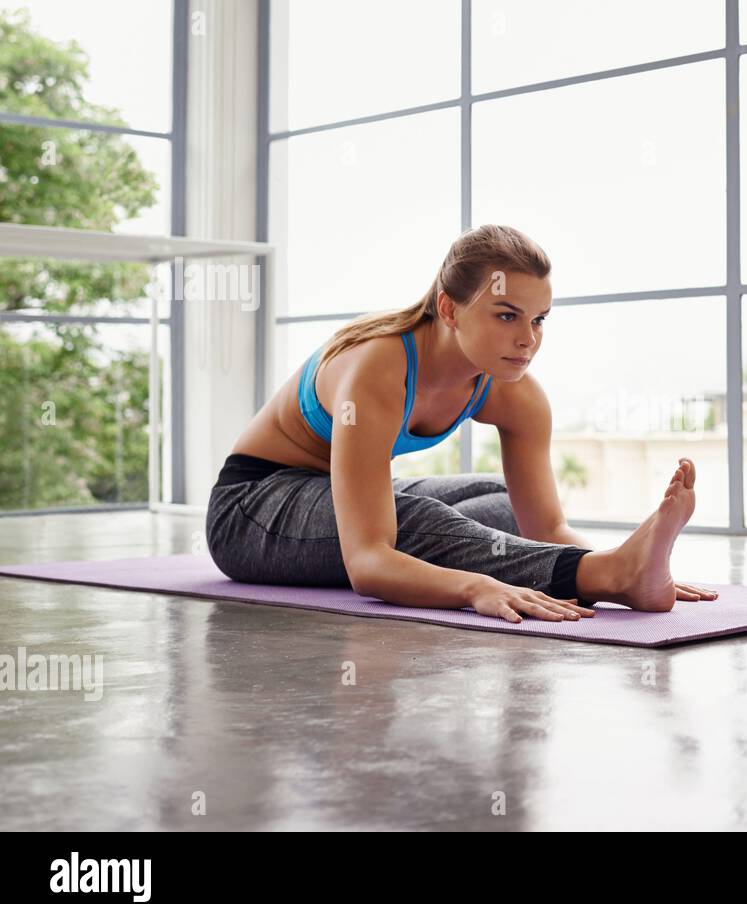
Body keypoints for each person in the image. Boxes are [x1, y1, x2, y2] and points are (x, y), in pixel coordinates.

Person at [205, 224, 718, 624]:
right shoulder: (377, 370)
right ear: (450, 308)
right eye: (506, 315)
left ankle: (617, 566)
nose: (528, 339)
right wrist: (475, 588)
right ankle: (608, 576)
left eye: (538, 320)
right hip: (252, 510)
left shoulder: (517, 395)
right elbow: (367, 563)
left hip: (344, 495)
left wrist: (631, 558)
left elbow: (545, 528)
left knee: (500, 502)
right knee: (415, 522)